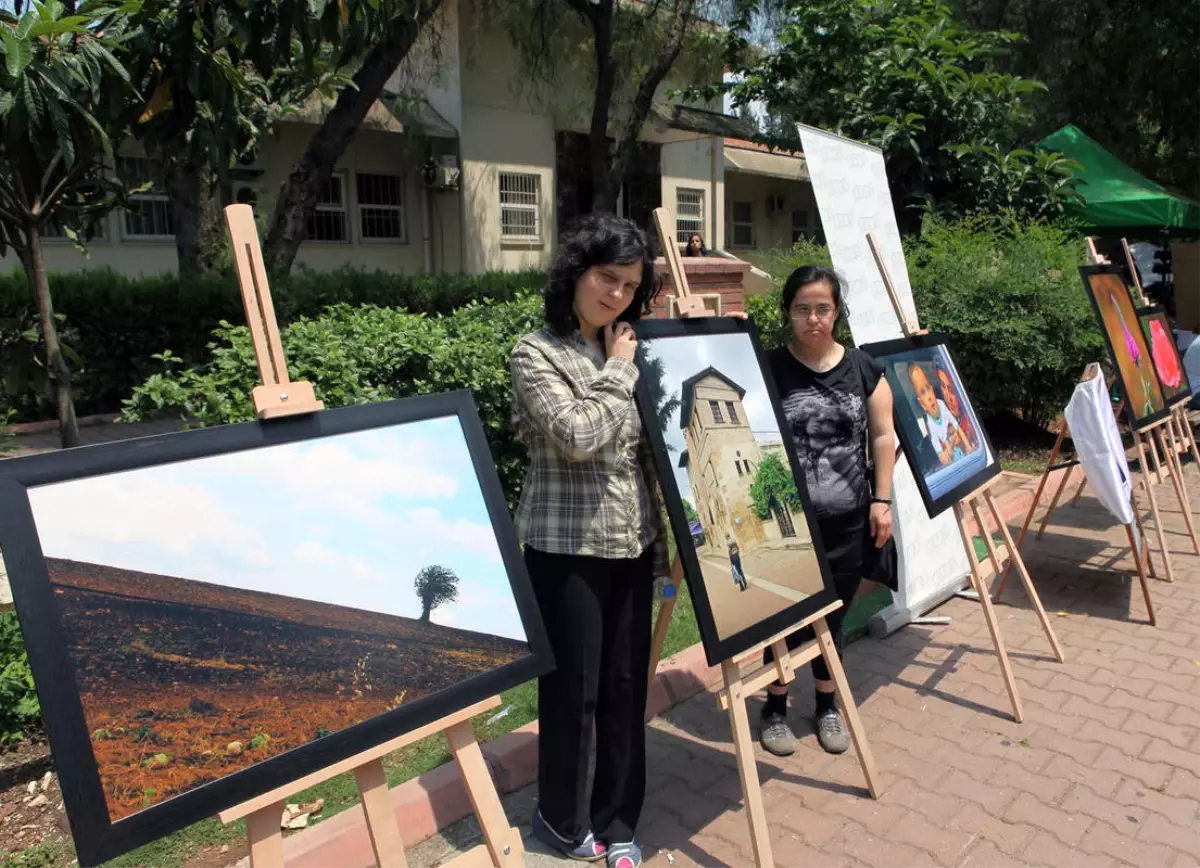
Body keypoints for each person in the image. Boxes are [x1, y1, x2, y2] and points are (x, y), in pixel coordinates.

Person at [510, 213, 743, 868]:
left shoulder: (636, 347)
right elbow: (578, 435)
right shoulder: (537, 352)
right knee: (572, 694)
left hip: (633, 545)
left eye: (629, 284)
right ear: (576, 274)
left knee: (622, 688)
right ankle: (560, 818)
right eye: (605, 278)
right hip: (567, 552)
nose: (615, 294)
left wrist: (685, 525)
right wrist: (619, 369)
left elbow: (657, 447)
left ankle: (617, 823)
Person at [760, 265, 896, 756]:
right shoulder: (769, 367)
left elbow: (883, 436)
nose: (813, 318)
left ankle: (826, 704)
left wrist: (882, 500)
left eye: (822, 308)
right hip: (787, 523)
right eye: (802, 309)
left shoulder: (863, 367)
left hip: (850, 519)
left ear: (836, 310)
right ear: (788, 313)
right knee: (782, 616)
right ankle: (774, 705)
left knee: (834, 615)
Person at [909, 363, 966, 465]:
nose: (929, 397)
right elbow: (945, 460)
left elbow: (955, 425)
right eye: (922, 392)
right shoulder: (932, 430)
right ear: (921, 403)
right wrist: (947, 449)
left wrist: (956, 439)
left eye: (928, 388)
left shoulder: (942, 406)